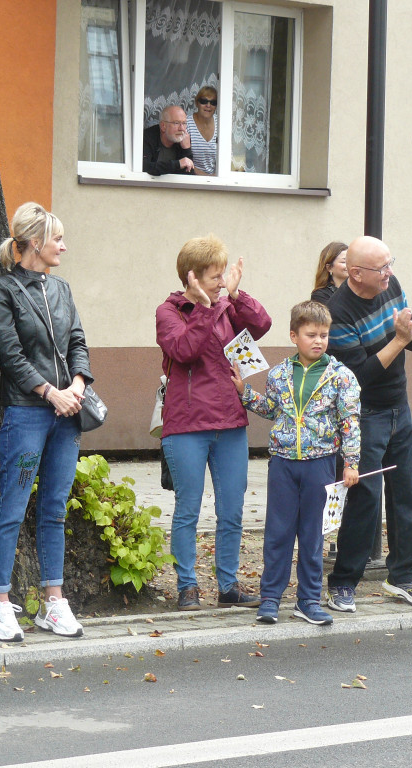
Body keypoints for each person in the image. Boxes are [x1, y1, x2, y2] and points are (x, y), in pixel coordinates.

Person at [0, 202, 92, 642]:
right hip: (27, 412)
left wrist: (78, 386)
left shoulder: (61, 288)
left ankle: (53, 603)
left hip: (68, 414)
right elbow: (9, 354)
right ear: (31, 244)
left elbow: (79, 340)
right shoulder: (3, 289)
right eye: (56, 238)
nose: (63, 245)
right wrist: (50, 392)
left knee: (54, 508)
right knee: (11, 507)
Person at [323, 235, 412, 612]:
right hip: (363, 414)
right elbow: (360, 375)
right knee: (364, 498)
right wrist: (401, 338)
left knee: (407, 493)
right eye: (382, 268)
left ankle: (405, 576)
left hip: (398, 405)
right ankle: (343, 582)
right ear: (356, 273)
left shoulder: (389, 284)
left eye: (391, 263)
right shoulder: (338, 311)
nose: (390, 273)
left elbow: (407, 339)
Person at [156, 234, 271, 611]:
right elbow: (183, 350)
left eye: (223, 276)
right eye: (214, 277)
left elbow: (262, 323)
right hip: (187, 425)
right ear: (191, 277)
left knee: (232, 510)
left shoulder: (227, 306)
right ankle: (187, 586)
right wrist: (205, 309)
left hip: (230, 424)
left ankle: (228, 586)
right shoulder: (168, 312)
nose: (221, 283)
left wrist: (237, 297)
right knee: (188, 509)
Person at [233, 300, 360, 625]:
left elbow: (349, 421)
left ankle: (308, 600)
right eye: (311, 334)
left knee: (312, 533)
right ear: (294, 335)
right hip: (283, 464)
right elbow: (274, 410)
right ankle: (271, 599)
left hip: (320, 464)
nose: (318, 340)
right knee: (278, 531)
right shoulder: (278, 374)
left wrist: (351, 462)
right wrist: (244, 392)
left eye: (324, 335)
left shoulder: (341, 377)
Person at [143, 106, 195, 176]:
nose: (182, 128)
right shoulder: (148, 137)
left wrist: (186, 149)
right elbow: (144, 167)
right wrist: (177, 164)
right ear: (163, 126)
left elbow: (188, 176)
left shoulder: (183, 140)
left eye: (184, 123)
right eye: (176, 123)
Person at [186, 86, 218, 176]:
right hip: (191, 177)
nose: (208, 105)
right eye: (204, 101)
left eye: (213, 102)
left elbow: (228, 157)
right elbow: (182, 157)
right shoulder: (186, 124)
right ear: (197, 103)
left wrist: (216, 177)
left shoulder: (221, 124)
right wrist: (205, 177)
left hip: (216, 179)